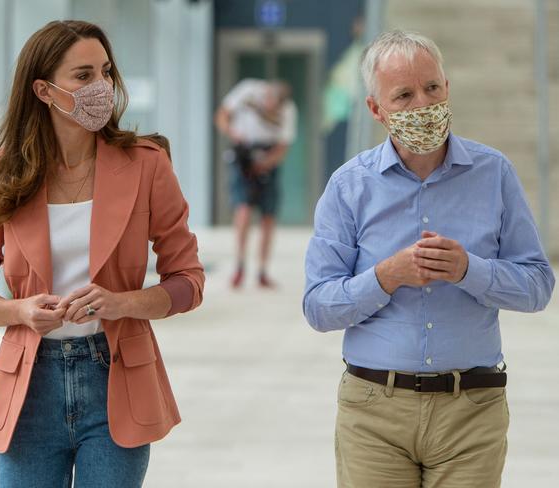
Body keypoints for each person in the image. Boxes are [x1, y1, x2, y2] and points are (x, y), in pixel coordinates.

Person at [0, 20, 204, 487]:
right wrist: (18, 310)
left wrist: (123, 302)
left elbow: (188, 282)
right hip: (29, 386)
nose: (101, 86)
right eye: (83, 76)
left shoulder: (147, 164)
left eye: (105, 72)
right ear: (44, 91)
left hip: (117, 378)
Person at [303, 30, 555, 488]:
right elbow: (318, 307)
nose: (423, 104)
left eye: (432, 88)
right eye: (403, 95)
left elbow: (538, 286)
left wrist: (469, 270)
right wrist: (385, 277)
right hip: (374, 413)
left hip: (472, 412)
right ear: (376, 110)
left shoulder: (494, 172)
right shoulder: (348, 187)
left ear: (447, 86)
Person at [215, 78, 297, 288]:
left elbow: (283, 146)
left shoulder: (288, 110)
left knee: (268, 217)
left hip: (269, 160)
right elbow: (222, 116)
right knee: (243, 211)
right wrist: (235, 134)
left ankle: (262, 270)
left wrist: (265, 163)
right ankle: (240, 266)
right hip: (243, 153)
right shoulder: (247, 91)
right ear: (266, 96)